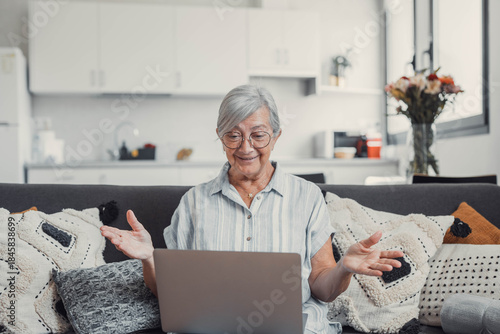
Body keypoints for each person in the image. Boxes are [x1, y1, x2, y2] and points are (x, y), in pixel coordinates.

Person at [100, 84, 404, 334]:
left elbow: (322, 290)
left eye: (258, 135)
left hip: (294, 328)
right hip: (212, 327)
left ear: (276, 136)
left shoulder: (308, 196)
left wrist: (343, 268)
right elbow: (169, 294)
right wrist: (150, 258)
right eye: (233, 135)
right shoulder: (193, 202)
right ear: (220, 137)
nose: (245, 148)